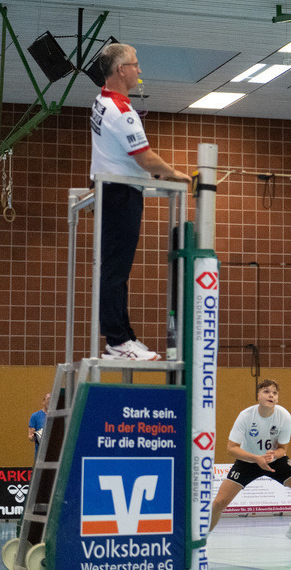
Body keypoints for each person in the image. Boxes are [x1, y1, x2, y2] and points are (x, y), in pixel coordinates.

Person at [91, 43, 191, 361]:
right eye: (135, 64)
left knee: (116, 270)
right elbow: (145, 158)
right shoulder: (121, 112)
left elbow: (120, 154)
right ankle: (118, 341)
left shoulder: (102, 100)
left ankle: (123, 336)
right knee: (115, 271)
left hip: (115, 189)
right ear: (121, 70)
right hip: (120, 194)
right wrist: (175, 173)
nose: (139, 69)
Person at [210, 379, 291, 549]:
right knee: (219, 502)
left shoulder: (284, 416)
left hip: (273, 461)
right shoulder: (246, 416)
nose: (271, 395)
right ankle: (201, 539)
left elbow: (283, 449)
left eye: (274, 393)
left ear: (277, 398)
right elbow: (231, 448)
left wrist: (274, 454)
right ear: (258, 396)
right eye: (266, 391)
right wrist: (256, 458)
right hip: (248, 461)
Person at [28, 391, 50, 459]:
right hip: (40, 454)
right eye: (48, 399)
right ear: (43, 401)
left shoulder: (58, 415)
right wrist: (36, 436)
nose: (50, 401)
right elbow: (30, 436)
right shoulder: (35, 416)